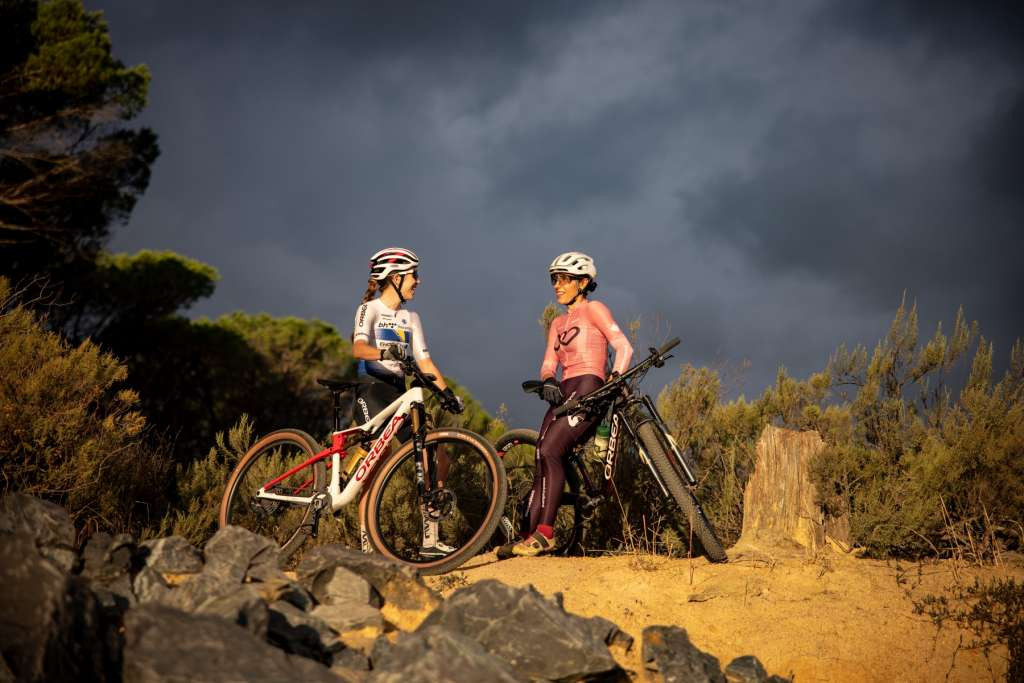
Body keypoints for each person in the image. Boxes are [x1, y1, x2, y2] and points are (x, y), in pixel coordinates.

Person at [510, 251, 633, 556]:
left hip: (591, 384)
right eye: (554, 279)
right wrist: (549, 380)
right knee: (541, 453)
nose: (557, 285)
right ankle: (528, 535)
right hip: (564, 391)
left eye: (564, 279)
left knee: (552, 449)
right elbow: (549, 362)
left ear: (583, 282)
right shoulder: (557, 323)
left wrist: (615, 378)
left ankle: (546, 533)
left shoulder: (594, 310)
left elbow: (623, 346)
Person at [351, 247, 463, 559]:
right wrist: (384, 353)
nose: (418, 281)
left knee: (436, 457)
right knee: (375, 464)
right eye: (414, 275)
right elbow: (358, 349)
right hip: (372, 390)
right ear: (396, 277)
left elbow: (424, 360)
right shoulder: (370, 309)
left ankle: (431, 538)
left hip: (402, 392)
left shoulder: (411, 317)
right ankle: (366, 544)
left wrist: (447, 392)